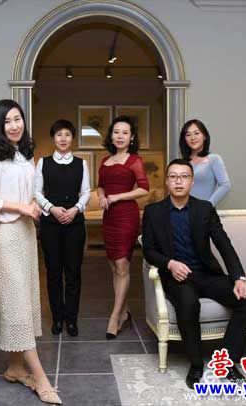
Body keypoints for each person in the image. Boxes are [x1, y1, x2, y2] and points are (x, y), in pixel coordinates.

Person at [141, 158, 246, 389]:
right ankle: (196, 364)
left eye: (184, 176)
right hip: (177, 278)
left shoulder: (204, 209)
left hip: (206, 274)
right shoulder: (153, 212)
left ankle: (227, 361)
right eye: (173, 177)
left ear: (192, 182)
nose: (178, 181)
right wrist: (170, 264)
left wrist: (239, 278)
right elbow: (149, 250)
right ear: (167, 181)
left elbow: (224, 244)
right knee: (188, 304)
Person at [0, 99, 62, 405]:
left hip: (26, 234)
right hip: (7, 235)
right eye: (7, 121)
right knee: (17, 306)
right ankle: (40, 378)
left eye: (17, 119)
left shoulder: (24, 155)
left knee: (25, 301)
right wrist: (20, 207)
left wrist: (33, 204)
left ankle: (15, 368)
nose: (14, 126)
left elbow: (30, 193)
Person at [35, 119, 90, 337]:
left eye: (67, 134)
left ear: (72, 138)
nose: (63, 138)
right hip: (50, 224)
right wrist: (52, 208)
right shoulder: (43, 163)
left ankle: (71, 320)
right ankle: (57, 318)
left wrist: (76, 209)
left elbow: (86, 192)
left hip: (75, 225)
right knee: (53, 273)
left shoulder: (81, 164)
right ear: (53, 138)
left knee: (73, 273)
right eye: (59, 134)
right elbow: (36, 192)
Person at [97, 115, 149, 339]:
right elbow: (100, 186)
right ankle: (125, 312)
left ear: (131, 137)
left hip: (126, 216)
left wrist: (117, 196)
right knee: (114, 267)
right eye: (116, 132)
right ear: (111, 136)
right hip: (109, 217)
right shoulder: (105, 160)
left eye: (125, 133)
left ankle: (114, 316)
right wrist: (101, 196)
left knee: (122, 266)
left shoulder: (134, 160)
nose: (120, 136)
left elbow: (144, 188)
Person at [179, 119, 231, 206]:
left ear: (204, 136)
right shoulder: (182, 163)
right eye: (188, 135)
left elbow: (225, 185)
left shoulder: (214, 159)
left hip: (204, 212)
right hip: (183, 210)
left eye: (196, 133)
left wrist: (207, 206)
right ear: (184, 139)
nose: (193, 138)